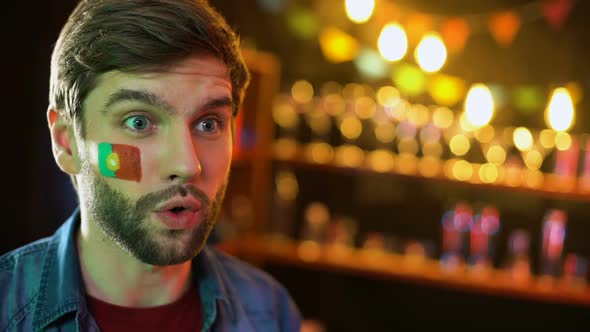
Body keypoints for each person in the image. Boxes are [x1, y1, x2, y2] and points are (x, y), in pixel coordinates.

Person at [0, 0, 301, 331]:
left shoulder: (270, 311)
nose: (188, 165)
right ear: (66, 142)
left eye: (209, 124)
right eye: (139, 122)